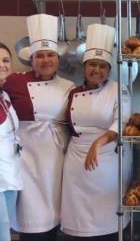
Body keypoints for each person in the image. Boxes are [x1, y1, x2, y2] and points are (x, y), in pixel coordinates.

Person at [3, 14, 74, 241]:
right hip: (26, 161)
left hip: (55, 159)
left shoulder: (69, 86)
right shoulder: (14, 81)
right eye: (39, 56)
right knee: (30, 219)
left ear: (58, 59)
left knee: (54, 214)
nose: (46, 60)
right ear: (31, 59)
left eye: (50, 55)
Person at [61, 23, 132, 240]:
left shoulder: (118, 89)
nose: (97, 70)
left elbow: (123, 122)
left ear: (109, 70)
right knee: (78, 221)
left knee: (108, 217)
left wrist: (98, 143)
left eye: (103, 66)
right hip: (76, 161)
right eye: (92, 64)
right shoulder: (72, 92)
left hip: (108, 159)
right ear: (84, 67)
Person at [0, 42, 22, 241]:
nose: (2, 65)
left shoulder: (4, 96)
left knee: (5, 229)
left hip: (9, 173)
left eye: (5, 60)